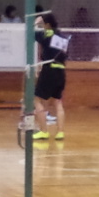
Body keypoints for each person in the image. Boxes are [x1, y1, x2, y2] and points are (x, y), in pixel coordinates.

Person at [33, 13, 68, 141]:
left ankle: (44, 131)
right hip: (61, 72)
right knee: (58, 102)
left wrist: (35, 23)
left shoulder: (47, 34)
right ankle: (60, 133)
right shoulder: (63, 37)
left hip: (49, 70)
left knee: (37, 100)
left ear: (47, 24)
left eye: (43, 24)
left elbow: (32, 33)